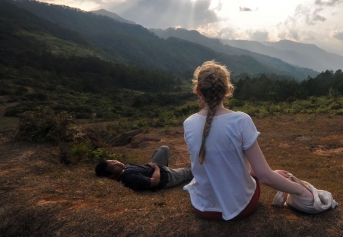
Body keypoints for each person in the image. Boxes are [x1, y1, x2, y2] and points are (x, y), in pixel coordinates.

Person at [183, 60, 313, 221]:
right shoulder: (240, 121)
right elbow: (263, 176)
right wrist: (301, 191)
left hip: (202, 207)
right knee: (255, 180)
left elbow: (217, 163)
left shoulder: (188, 124)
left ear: (198, 91)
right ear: (226, 91)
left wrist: (266, 173)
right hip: (241, 207)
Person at [95, 146, 193, 191]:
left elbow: (141, 170)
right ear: (112, 175)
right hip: (165, 177)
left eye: (113, 161)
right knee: (188, 172)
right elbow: (154, 182)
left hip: (154, 168)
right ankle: (175, 173)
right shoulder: (129, 178)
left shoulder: (124, 168)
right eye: (113, 167)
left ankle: (165, 168)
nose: (116, 163)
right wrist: (157, 168)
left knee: (164, 149)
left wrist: (150, 165)